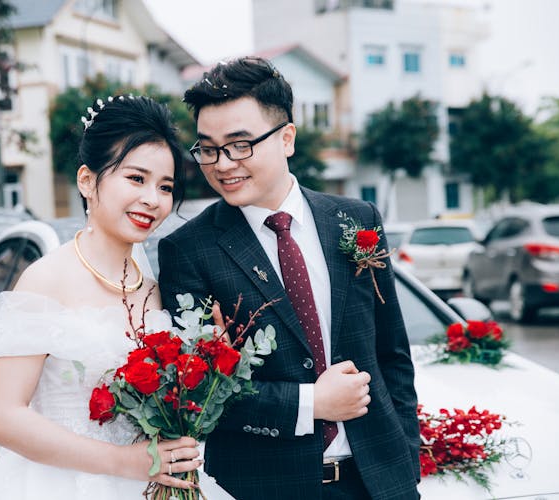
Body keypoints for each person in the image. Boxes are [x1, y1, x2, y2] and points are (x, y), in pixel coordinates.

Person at [159, 57, 420, 499]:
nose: (223, 164)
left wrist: (406, 461)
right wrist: (311, 404)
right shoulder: (189, 250)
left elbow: (392, 354)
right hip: (262, 487)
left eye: (240, 144)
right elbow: (200, 390)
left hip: (378, 481)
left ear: (287, 138)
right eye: (208, 148)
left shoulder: (356, 220)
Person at [0, 95, 233, 499]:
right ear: (87, 180)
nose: (153, 200)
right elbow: (1, 418)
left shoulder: (152, 286)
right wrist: (121, 462)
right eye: (136, 179)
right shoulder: (45, 279)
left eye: (165, 187)